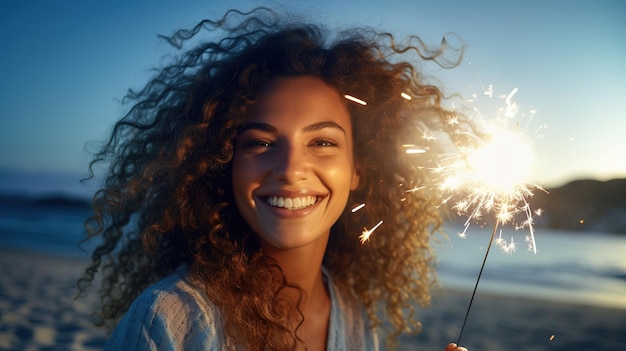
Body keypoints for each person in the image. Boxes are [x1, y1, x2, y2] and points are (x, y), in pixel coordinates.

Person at [78, 7, 469, 351]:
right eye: (261, 143)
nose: (290, 168)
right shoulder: (168, 320)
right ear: (223, 162)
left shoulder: (353, 315)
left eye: (321, 141)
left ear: (356, 171)